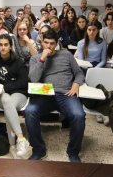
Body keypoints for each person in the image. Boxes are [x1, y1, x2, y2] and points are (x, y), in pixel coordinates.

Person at [25, 29, 86, 162]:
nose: (48, 46)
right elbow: (33, 79)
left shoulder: (66, 55)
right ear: (42, 42)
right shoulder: (35, 58)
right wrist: (42, 59)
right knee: (29, 111)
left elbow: (79, 73)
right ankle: (38, 150)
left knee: (79, 115)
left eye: (52, 43)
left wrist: (76, 84)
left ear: (56, 43)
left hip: (65, 93)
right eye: (46, 43)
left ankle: (73, 152)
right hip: (45, 94)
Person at [0, 34, 31, 158]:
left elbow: (24, 82)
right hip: (1, 96)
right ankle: (21, 139)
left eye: (6, 45)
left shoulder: (18, 61)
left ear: (10, 46)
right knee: (6, 100)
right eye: (0, 45)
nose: (3, 47)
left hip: (19, 94)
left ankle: (12, 145)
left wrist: (5, 87)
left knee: (7, 102)